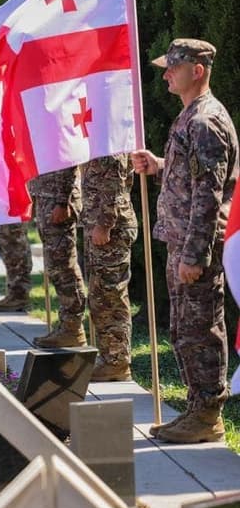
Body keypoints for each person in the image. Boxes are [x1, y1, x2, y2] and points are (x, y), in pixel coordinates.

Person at [133, 38, 237, 443]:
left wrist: (194, 255)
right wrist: (159, 167)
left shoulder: (205, 121)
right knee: (184, 330)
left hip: (197, 248)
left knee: (201, 331)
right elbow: (191, 180)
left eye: (173, 66)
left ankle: (208, 414)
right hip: (183, 243)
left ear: (197, 70)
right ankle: (198, 409)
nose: (165, 74)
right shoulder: (190, 117)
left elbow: (209, 195)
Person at [80, 154, 137, 381]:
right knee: (100, 295)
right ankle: (111, 358)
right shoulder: (101, 136)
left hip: (111, 230)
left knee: (110, 296)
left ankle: (117, 361)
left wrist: (105, 224)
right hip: (102, 227)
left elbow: (114, 181)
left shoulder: (109, 140)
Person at [30, 168, 88, 348]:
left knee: (64, 266)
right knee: (55, 266)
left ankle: (73, 327)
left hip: (58, 200)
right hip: (46, 195)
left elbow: (68, 159)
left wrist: (63, 201)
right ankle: (67, 325)